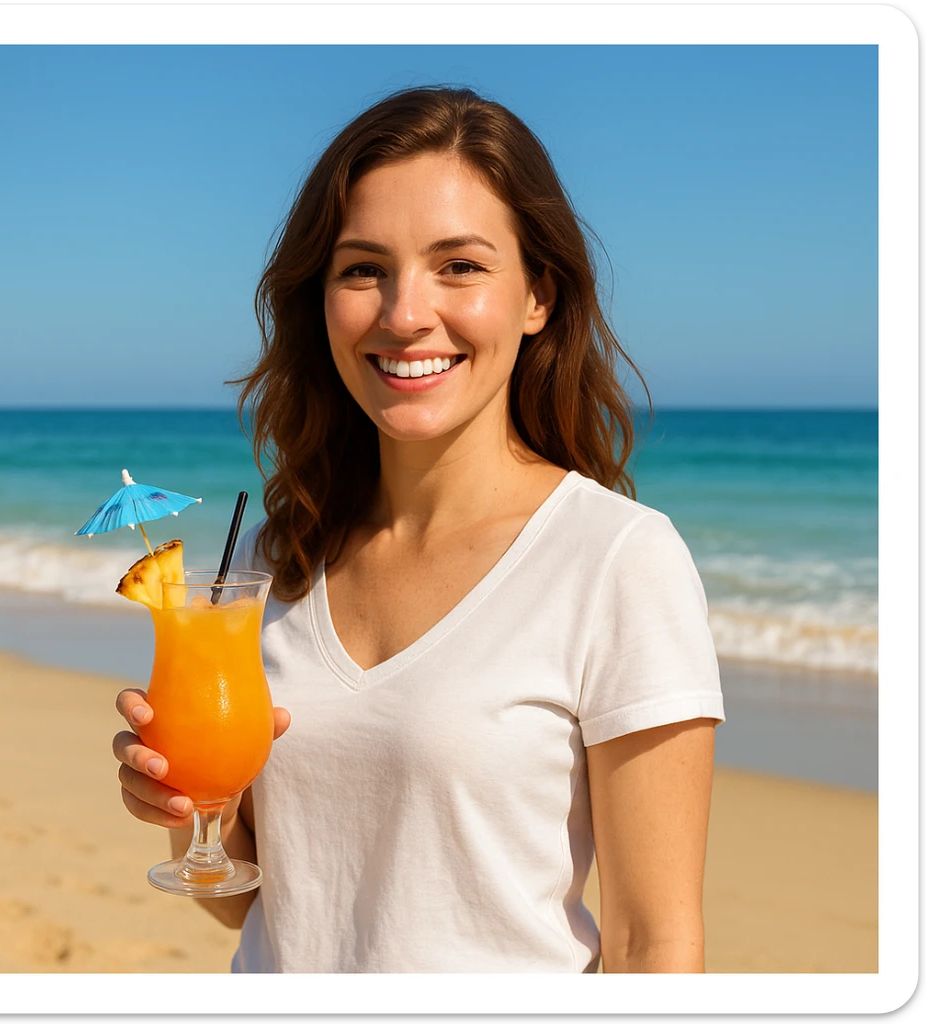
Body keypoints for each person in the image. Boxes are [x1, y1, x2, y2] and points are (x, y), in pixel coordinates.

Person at [113, 86, 724, 974]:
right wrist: (190, 812)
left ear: (537, 297)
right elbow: (250, 905)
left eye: (460, 266)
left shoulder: (618, 561)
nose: (405, 314)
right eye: (363, 269)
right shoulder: (275, 558)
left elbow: (654, 944)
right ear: (320, 301)